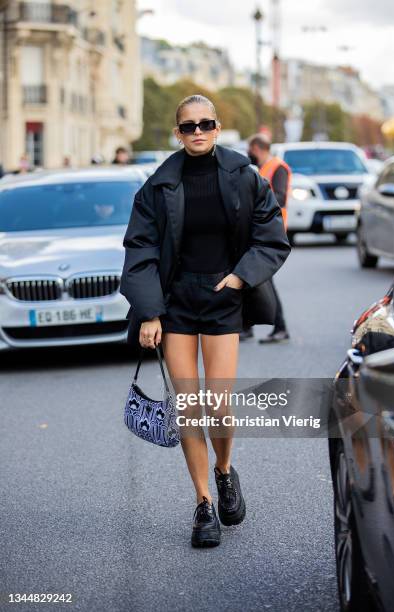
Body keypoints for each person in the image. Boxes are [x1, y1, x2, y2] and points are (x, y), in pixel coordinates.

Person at [120, 94, 290, 548]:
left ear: (217, 128)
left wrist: (240, 277)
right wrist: (150, 311)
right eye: (188, 126)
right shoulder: (157, 185)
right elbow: (140, 249)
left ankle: (224, 470)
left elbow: (271, 236)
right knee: (188, 405)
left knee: (218, 403)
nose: (197, 131)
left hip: (223, 297)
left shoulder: (243, 177)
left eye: (205, 123)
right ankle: (203, 504)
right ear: (178, 133)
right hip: (176, 302)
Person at [240, 133, 292, 344]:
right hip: (259, 231)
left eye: (249, 149)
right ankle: (249, 326)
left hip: (271, 233)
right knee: (253, 279)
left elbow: (280, 197)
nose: (248, 153)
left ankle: (280, 328)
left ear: (256, 148)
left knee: (265, 282)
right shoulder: (263, 168)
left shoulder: (277, 167)